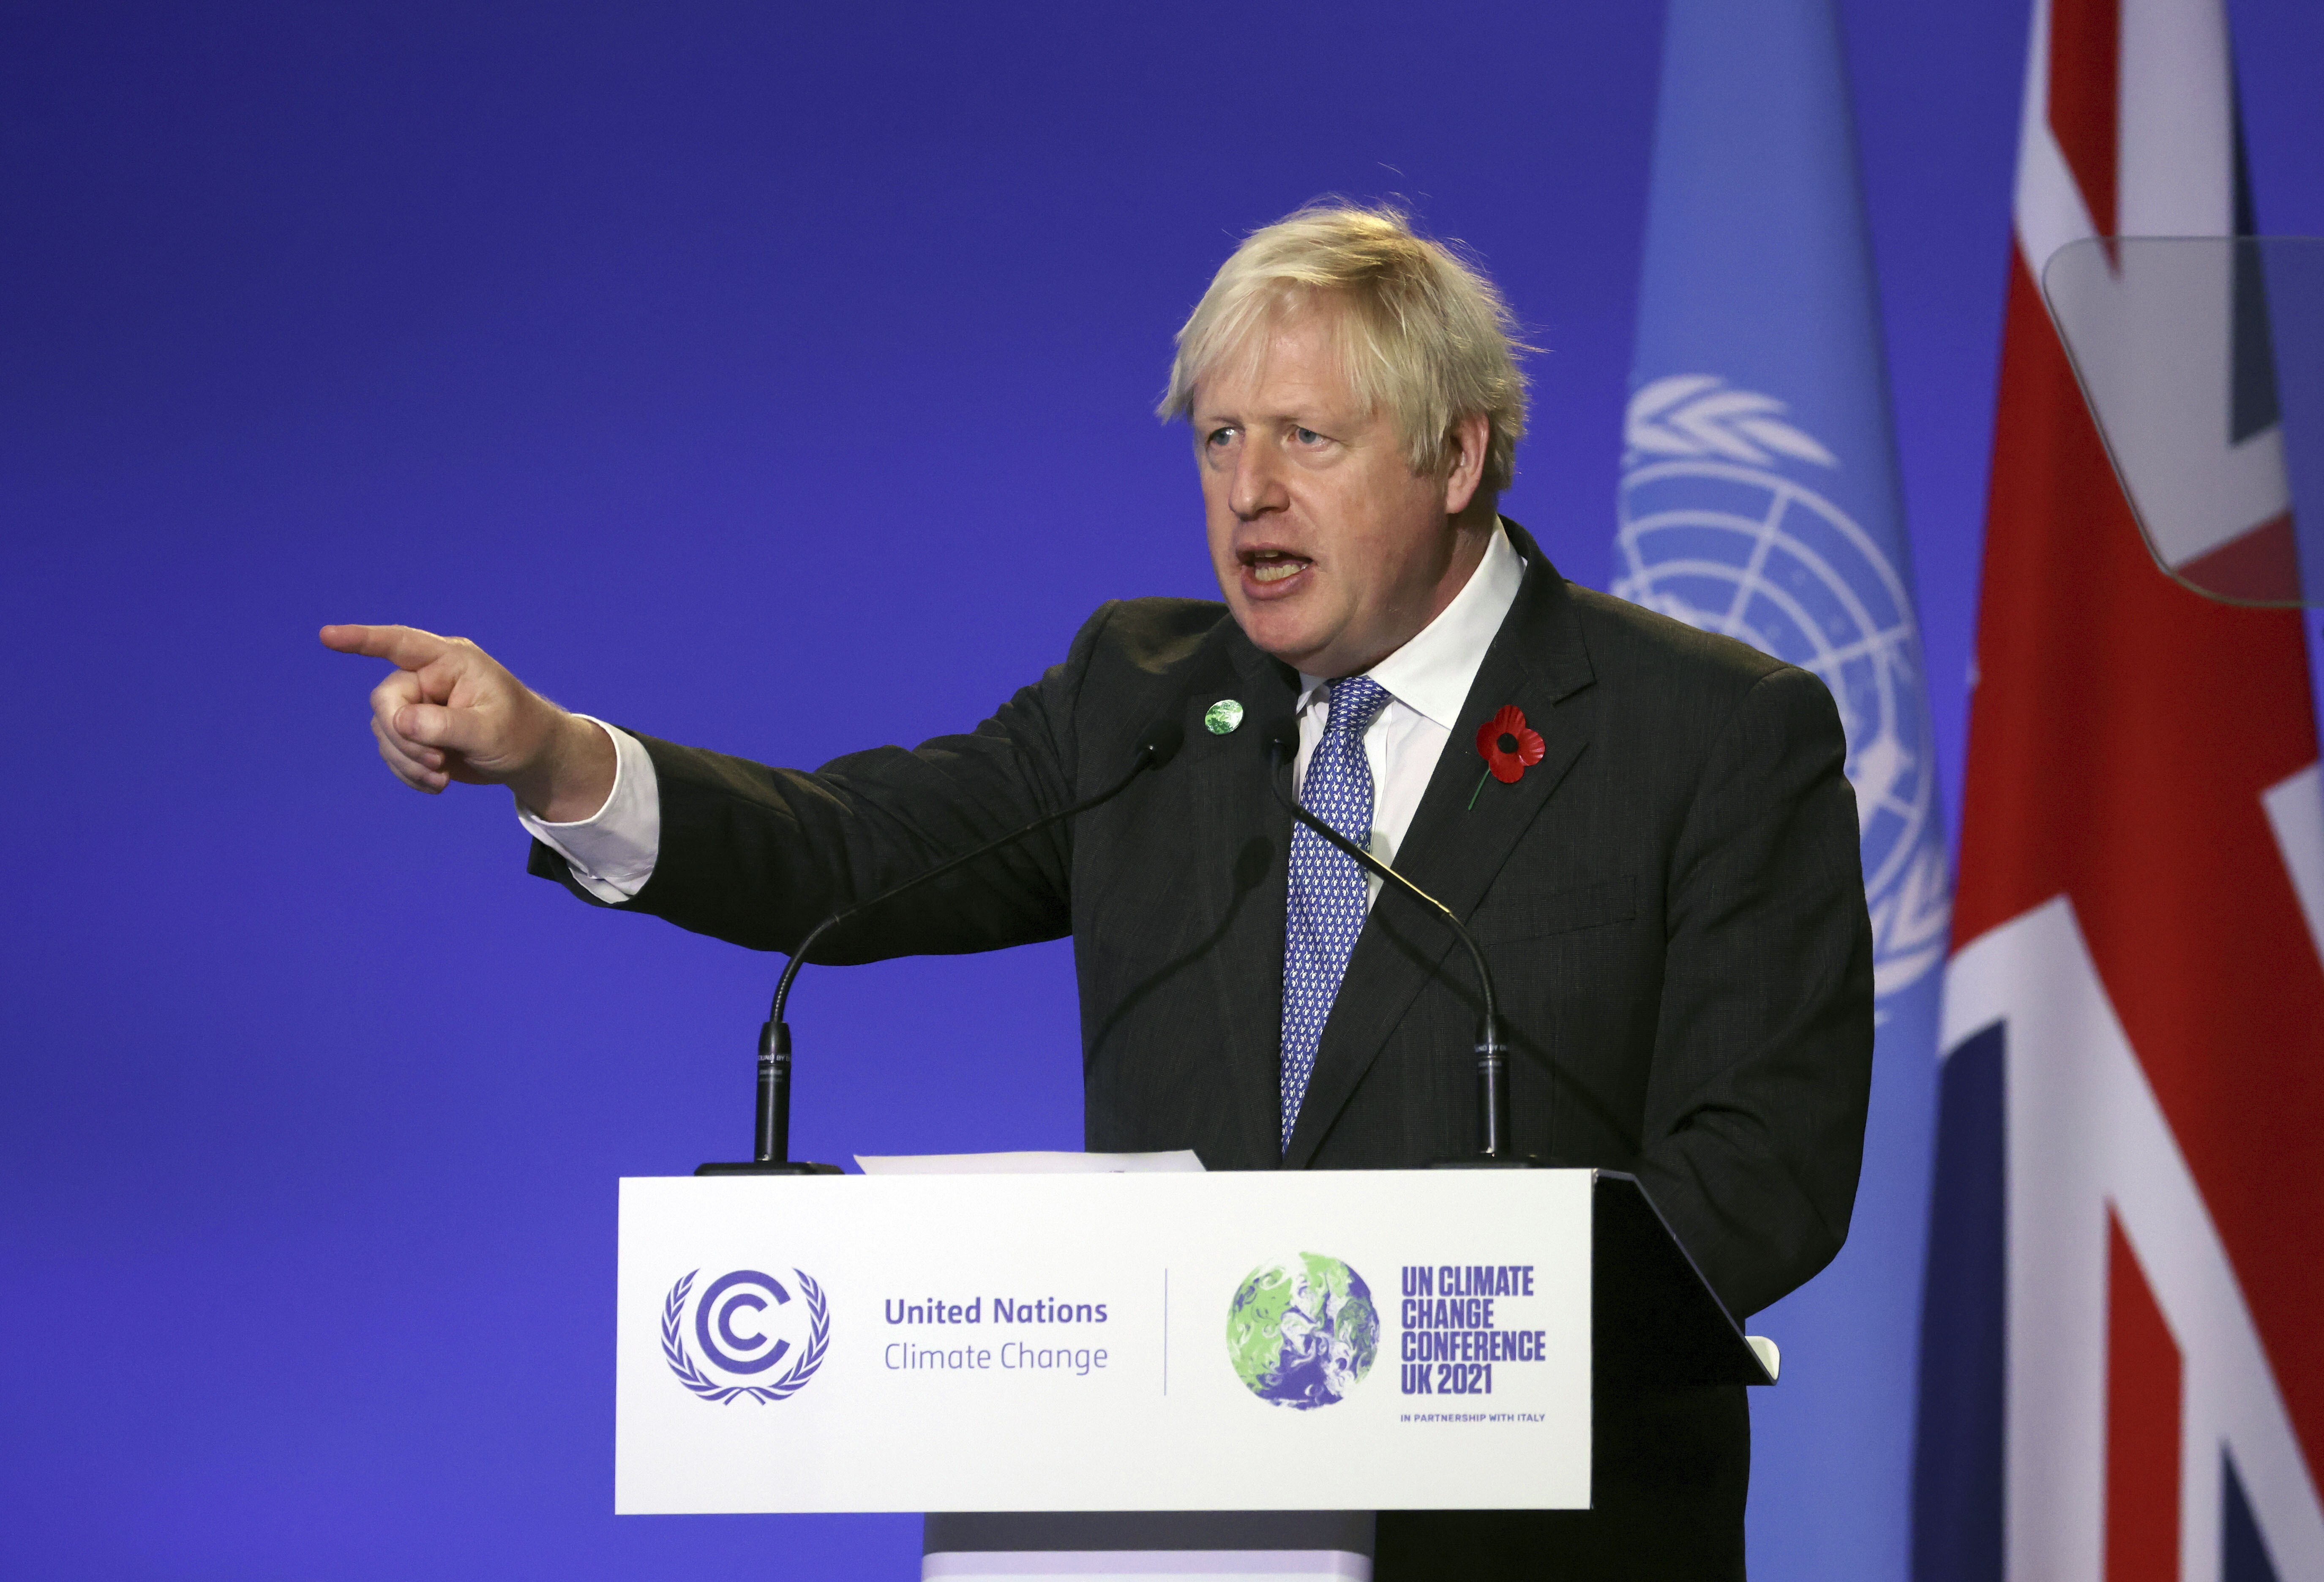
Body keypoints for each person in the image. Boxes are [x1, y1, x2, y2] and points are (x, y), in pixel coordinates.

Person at [324, 202, 1872, 1578]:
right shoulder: (1142, 702)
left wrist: (1441, 1334)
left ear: (1456, 454)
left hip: (1529, 1544)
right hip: (1166, 1529)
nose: (1249, 495)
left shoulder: (1707, 733)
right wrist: (556, 760)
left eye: (1305, 441)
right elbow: (855, 849)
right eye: (1217, 441)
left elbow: (1764, 1172)